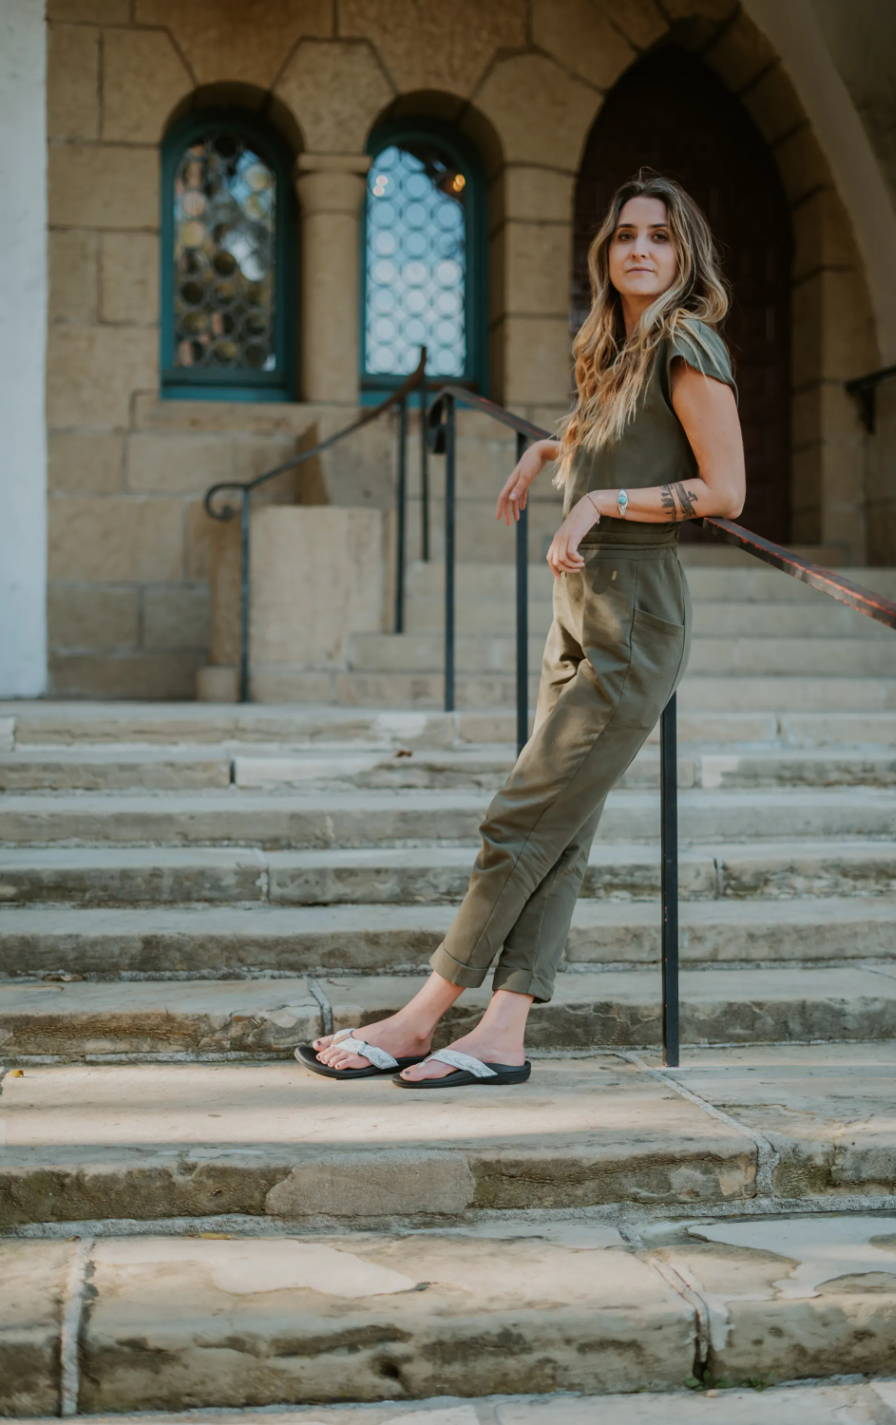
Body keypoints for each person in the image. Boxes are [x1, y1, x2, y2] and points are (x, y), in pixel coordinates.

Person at [293, 168, 746, 1089]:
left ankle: (422, 1016)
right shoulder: (618, 349)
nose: (641, 250)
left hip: (637, 616)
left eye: (659, 235)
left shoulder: (688, 339)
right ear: (606, 251)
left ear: (685, 250)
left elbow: (725, 489)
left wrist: (600, 503)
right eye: (625, 236)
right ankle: (501, 1033)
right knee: (559, 828)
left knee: (518, 818)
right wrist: (558, 448)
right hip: (579, 609)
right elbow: (623, 437)